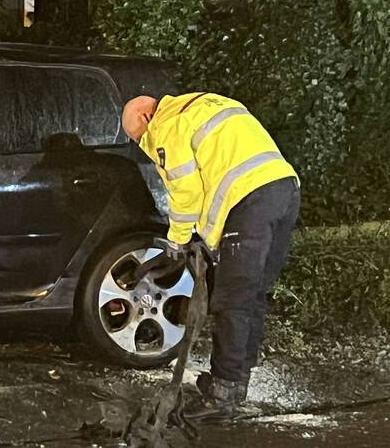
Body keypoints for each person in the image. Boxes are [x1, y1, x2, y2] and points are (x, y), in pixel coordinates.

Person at [122, 92, 299, 421]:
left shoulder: (167, 125)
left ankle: (222, 393)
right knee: (250, 295)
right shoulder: (205, 104)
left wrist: (176, 241)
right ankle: (236, 380)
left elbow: (186, 190)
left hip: (249, 200)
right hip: (284, 190)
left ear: (146, 118)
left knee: (232, 298)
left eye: (139, 139)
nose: (144, 145)